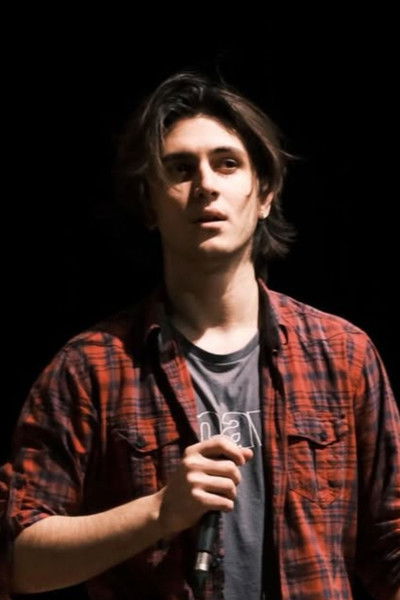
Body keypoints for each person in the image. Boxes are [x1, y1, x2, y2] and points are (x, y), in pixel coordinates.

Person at [0, 71, 399, 600]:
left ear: (265, 194)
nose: (206, 184)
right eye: (181, 169)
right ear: (150, 204)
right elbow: (19, 561)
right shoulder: (91, 367)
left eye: (227, 163)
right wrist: (159, 512)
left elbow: (390, 548)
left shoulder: (342, 354)